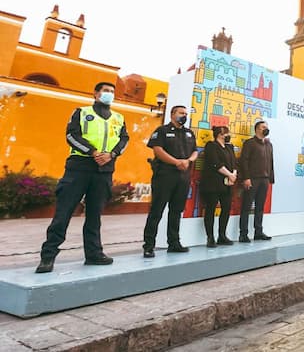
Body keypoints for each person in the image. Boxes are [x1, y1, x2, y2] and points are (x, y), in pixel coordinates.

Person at [36, 82, 130, 273]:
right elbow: (71, 135)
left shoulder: (119, 118)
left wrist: (111, 155)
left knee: (95, 215)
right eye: (105, 91)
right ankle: (48, 256)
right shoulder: (81, 112)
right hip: (79, 167)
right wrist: (93, 152)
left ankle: (94, 254)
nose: (109, 94)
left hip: (104, 170)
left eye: (112, 92)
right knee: (64, 212)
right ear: (96, 94)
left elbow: (124, 139)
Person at [142, 105, 198, 257]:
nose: (184, 115)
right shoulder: (162, 131)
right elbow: (158, 150)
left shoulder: (189, 133)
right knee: (156, 211)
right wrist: (176, 162)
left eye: (186, 113)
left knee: (176, 211)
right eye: (181, 113)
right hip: (165, 175)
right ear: (173, 114)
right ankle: (148, 245)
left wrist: (188, 160)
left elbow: (195, 150)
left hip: (183, 177)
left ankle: (174, 243)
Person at [200, 126, 237, 247]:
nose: (228, 135)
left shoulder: (229, 147)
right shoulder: (211, 146)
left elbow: (234, 163)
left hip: (227, 184)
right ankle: (210, 237)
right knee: (210, 209)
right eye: (226, 133)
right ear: (220, 134)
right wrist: (229, 174)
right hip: (213, 183)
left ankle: (222, 235)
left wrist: (233, 175)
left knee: (226, 209)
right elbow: (216, 163)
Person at [239, 120, 274, 242]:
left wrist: (271, 178)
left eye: (267, 127)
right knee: (246, 207)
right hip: (252, 179)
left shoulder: (269, 145)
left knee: (260, 207)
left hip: (264, 179)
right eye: (263, 127)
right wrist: (246, 178)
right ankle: (243, 234)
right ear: (257, 129)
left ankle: (258, 232)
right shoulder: (249, 143)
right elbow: (244, 161)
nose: (266, 129)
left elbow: (271, 162)